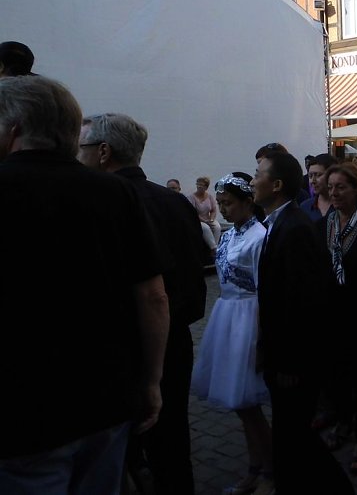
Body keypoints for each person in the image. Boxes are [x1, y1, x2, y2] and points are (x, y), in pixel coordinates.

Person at [0, 76, 169, 494]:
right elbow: (153, 296)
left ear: (15, 129)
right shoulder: (116, 193)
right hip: (106, 400)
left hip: (24, 412)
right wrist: (151, 380)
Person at [78, 112, 208, 495]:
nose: (77, 156)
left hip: (122, 348)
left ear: (103, 152)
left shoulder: (99, 202)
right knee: (172, 445)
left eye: (81, 148)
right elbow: (193, 273)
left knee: (116, 453)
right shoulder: (174, 201)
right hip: (175, 341)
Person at [252, 151, 354, 494]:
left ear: (277, 185)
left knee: (295, 435)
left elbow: (302, 304)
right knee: (291, 435)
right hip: (284, 356)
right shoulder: (279, 222)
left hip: (294, 362)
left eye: (258, 174)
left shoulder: (294, 229)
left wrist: (290, 362)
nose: (253, 181)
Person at [191, 173, 273, 495]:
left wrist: (262, 337)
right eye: (221, 203)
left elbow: (265, 289)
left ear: (247, 203)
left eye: (229, 204)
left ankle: (269, 469)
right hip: (227, 314)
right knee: (241, 405)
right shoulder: (228, 235)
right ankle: (256, 467)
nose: (223, 210)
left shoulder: (260, 237)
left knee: (249, 404)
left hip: (248, 318)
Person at [317, 162, 357, 475]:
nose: (334, 193)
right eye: (330, 188)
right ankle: (343, 422)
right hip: (330, 314)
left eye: (340, 187)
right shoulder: (324, 224)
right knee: (335, 374)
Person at [300, 152, 338, 222]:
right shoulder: (305, 207)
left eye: (318, 175)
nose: (313, 181)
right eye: (310, 176)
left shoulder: (344, 205)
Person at [188, 175, 222, 252]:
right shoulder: (192, 197)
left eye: (201, 185)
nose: (199, 186)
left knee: (217, 227)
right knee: (206, 228)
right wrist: (204, 221)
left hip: (208, 218)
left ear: (206, 187)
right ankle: (213, 248)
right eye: (198, 184)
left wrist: (211, 219)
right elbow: (192, 213)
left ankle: (216, 246)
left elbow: (213, 209)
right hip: (197, 220)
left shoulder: (209, 196)